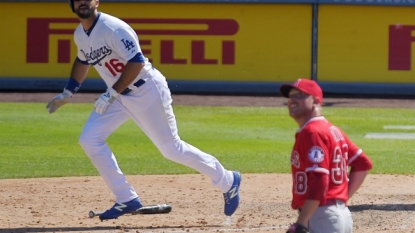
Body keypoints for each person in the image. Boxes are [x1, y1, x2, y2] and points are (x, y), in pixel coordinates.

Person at [46, 0, 241, 221]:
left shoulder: (113, 27)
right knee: (89, 138)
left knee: (171, 149)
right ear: (71, 4)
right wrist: (68, 92)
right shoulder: (80, 34)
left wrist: (111, 94)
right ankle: (126, 198)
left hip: (146, 90)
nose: (82, 2)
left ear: (96, 2)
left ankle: (228, 180)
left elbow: (136, 62)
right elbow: (83, 60)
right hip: (119, 96)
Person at [279, 79, 373, 233]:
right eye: (291, 96)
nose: (293, 100)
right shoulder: (332, 130)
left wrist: (302, 221)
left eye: (300, 95)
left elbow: (319, 180)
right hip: (337, 215)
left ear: (316, 101)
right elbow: (362, 164)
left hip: (322, 217)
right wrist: (341, 199)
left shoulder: (312, 132)